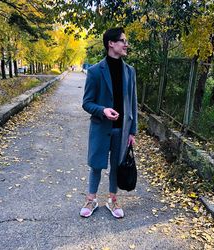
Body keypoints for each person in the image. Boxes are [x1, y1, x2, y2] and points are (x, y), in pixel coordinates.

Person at [80, 27, 138, 218]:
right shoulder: (95, 71)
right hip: (101, 127)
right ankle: (91, 199)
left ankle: (113, 200)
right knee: (96, 164)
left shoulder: (130, 72)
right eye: (123, 40)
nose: (126, 44)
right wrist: (103, 110)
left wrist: (132, 132)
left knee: (116, 165)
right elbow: (87, 103)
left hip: (122, 130)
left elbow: (133, 104)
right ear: (111, 43)